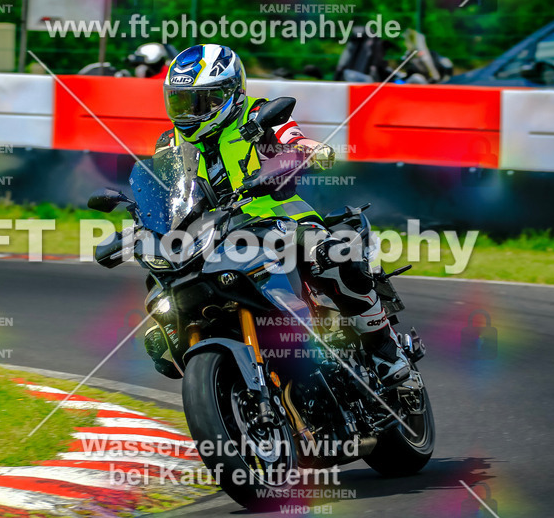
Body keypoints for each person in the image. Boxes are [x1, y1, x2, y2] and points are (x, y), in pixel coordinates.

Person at [157, 43, 412, 385]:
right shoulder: (169, 143)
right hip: (214, 236)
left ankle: (385, 349)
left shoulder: (257, 115)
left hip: (280, 218)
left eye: (199, 102)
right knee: (164, 311)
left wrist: (308, 149)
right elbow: (166, 192)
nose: (188, 112)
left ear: (228, 93)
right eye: (180, 101)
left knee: (337, 254)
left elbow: (291, 136)